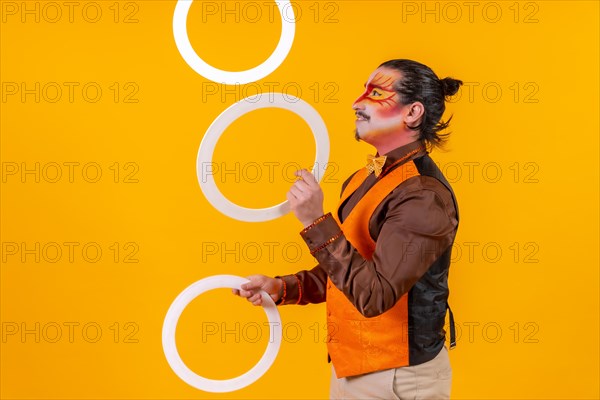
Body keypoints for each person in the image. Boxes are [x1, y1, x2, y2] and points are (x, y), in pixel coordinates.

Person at [233, 59, 463, 399]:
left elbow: (374, 295)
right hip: (352, 369)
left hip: (398, 379)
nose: (358, 102)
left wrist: (315, 220)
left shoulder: (423, 196)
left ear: (412, 113)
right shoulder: (363, 179)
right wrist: (282, 288)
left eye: (377, 93)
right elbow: (349, 274)